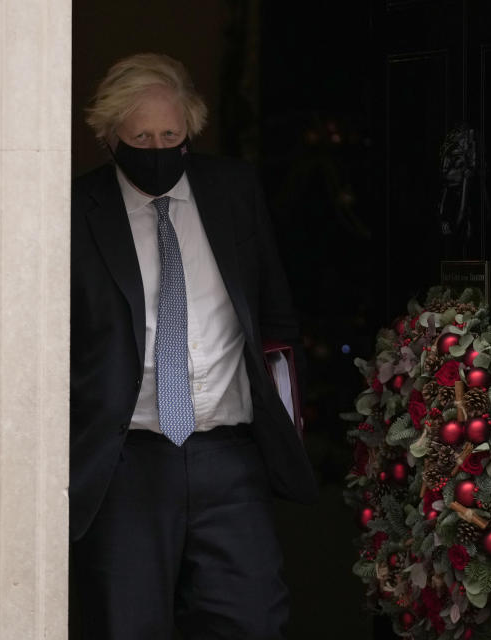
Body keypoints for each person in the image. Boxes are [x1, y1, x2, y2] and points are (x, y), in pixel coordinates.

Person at [70, 52, 318, 640]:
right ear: (110, 137)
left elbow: (275, 315)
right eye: (141, 137)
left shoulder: (233, 190)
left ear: (191, 131)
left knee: (253, 619)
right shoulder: (77, 209)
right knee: (127, 625)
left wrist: (286, 418)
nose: (157, 149)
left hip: (229, 456)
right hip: (126, 461)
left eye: (171, 135)